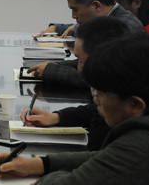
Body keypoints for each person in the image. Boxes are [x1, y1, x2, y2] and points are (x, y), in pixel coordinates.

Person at [0, 34, 149, 185]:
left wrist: (47, 178)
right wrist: (39, 164)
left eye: (99, 94)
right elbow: (104, 158)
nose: (96, 102)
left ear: (136, 104)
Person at [20, 16, 129, 150]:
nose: (79, 68)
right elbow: (95, 110)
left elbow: (97, 157)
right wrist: (55, 117)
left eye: (82, 61)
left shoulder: (124, 105)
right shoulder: (116, 92)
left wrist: (42, 162)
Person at [29, 0, 143, 85]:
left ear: (97, 6)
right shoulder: (109, 22)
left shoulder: (124, 29)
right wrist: (54, 65)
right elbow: (91, 63)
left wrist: (52, 71)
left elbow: (102, 78)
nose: (73, 16)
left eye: (75, 9)